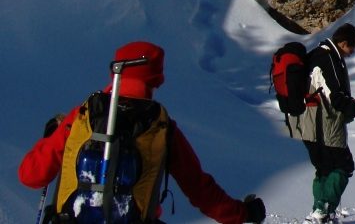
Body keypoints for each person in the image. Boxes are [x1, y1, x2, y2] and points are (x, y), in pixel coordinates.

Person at [18, 40, 265, 223]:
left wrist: (54, 136)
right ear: (156, 78)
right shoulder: (159, 125)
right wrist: (243, 213)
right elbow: (200, 190)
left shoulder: (83, 115)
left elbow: (30, 176)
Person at [289, 23, 355, 224]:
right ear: (343, 43)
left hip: (308, 124)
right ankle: (322, 212)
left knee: (324, 169)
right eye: (351, 48)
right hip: (324, 126)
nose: (352, 53)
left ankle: (319, 213)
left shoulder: (318, 54)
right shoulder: (329, 59)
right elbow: (336, 98)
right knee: (343, 167)